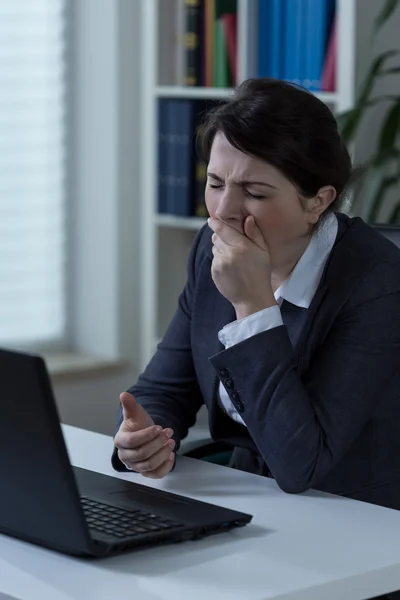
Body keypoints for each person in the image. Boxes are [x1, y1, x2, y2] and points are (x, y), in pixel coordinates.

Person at [112, 79, 400, 594]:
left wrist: (252, 305)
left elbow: (301, 465)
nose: (222, 211)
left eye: (255, 191)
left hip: (357, 531)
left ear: (318, 202)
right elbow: (166, 387)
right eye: (216, 181)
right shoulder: (213, 248)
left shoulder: (377, 285)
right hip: (251, 511)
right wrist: (143, 438)